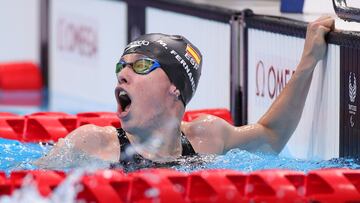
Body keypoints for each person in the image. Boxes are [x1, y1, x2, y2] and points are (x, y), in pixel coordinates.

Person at [35, 16, 334, 170]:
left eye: (141, 65)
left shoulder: (208, 138)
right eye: (121, 66)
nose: (122, 73)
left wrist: (309, 60)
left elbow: (271, 136)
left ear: (175, 87)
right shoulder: (92, 143)